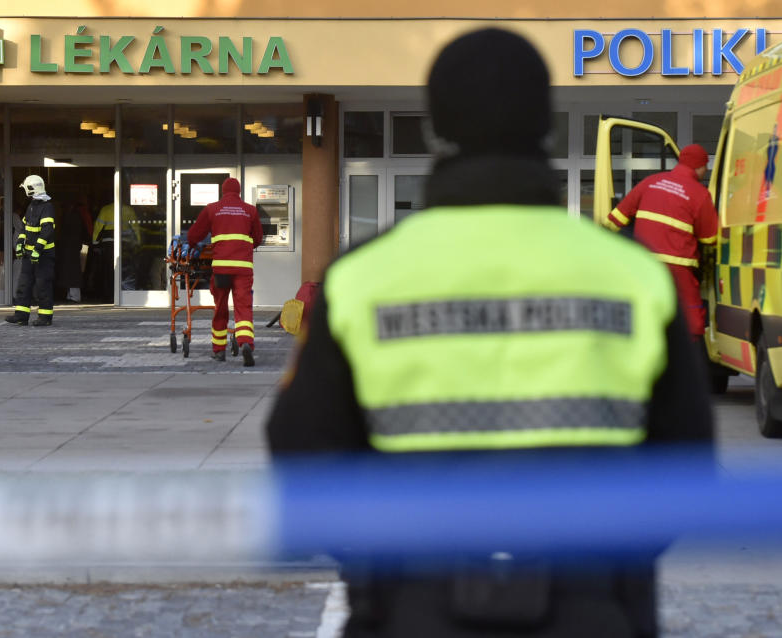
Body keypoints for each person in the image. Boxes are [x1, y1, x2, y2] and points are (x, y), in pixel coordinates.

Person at [266, 28, 714, 638]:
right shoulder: (633, 277)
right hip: (594, 606)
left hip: (410, 607)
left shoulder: (361, 279)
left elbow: (301, 455)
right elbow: (686, 460)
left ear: (435, 128)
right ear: (545, 129)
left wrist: (380, 565)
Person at [603, 144, 719, 342]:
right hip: (679, 269)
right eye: (706, 166)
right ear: (699, 167)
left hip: (645, 266)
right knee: (690, 320)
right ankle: (686, 365)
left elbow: (613, 221)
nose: (706, 170)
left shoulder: (651, 182)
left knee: (645, 317)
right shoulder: (699, 194)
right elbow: (710, 238)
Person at [187, 178, 262, 367]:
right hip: (243, 268)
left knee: (220, 308)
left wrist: (194, 247)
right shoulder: (250, 210)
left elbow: (193, 235)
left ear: (223, 191)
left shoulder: (213, 208)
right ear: (239, 192)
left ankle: (219, 351)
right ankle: (245, 343)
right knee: (243, 306)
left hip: (221, 268)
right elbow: (258, 238)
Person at [5, 175, 55, 327]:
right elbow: (24, 227)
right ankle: (21, 315)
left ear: (32, 188)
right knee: (24, 285)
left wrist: (38, 249)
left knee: (42, 285)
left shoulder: (47, 207)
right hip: (29, 254)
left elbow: (47, 230)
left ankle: (45, 317)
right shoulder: (32, 205)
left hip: (44, 256)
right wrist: (20, 242)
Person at [91, 202, 116, 302]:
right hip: (124, 243)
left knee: (107, 271)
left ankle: (108, 296)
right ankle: (120, 295)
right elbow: (135, 227)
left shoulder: (105, 209)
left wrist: (95, 243)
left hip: (108, 244)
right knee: (122, 271)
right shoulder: (127, 209)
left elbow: (98, 227)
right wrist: (137, 242)